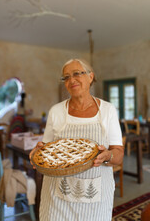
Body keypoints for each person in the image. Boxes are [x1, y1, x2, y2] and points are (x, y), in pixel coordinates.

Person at [30, 58, 124, 221]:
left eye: (77, 74)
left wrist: (108, 156)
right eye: (66, 77)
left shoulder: (108, 110)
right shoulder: (56, 111)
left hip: (95, 199)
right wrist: (39, 152)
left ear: (90, 77)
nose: (71, 80)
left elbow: (119, 154)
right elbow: (46, 149)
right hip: (57, 198)